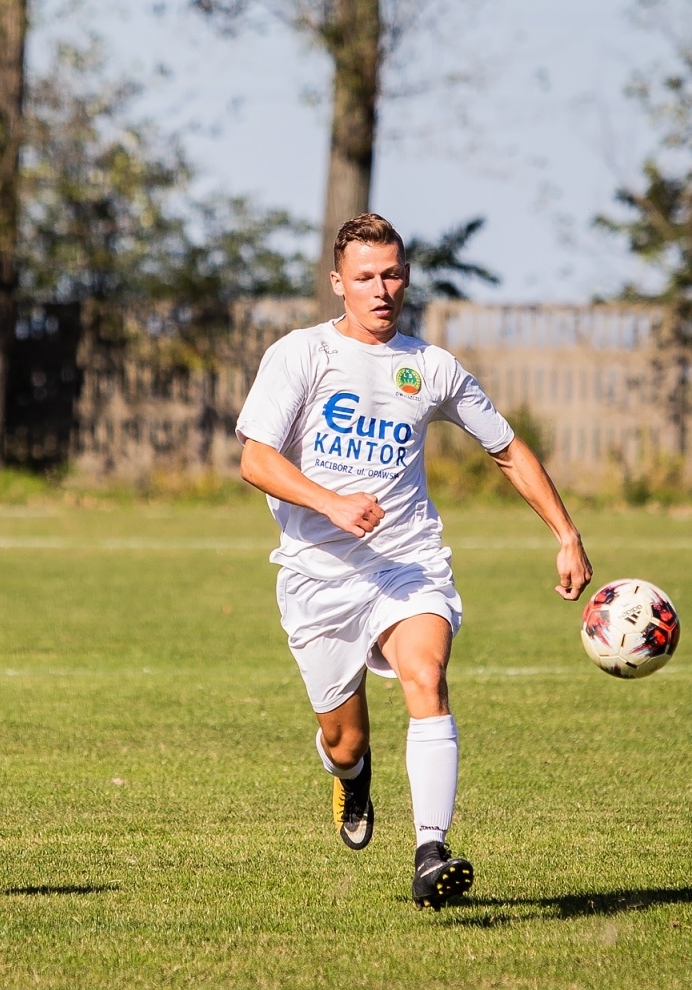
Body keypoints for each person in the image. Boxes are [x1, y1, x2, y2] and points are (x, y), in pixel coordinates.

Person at [235, 213, 591, 908]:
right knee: (344, 740)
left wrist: (566, 533)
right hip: (317, 575)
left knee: (426, 676)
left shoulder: (431, 367)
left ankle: (431, 852)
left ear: (406, 278)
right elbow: (255, 459)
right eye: (365, 276)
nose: (381, 288)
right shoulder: (302, 355)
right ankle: (351, 774)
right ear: (338, 283)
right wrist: (330, 502)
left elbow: (507, 449)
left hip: (408, 563)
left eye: (392, 274)